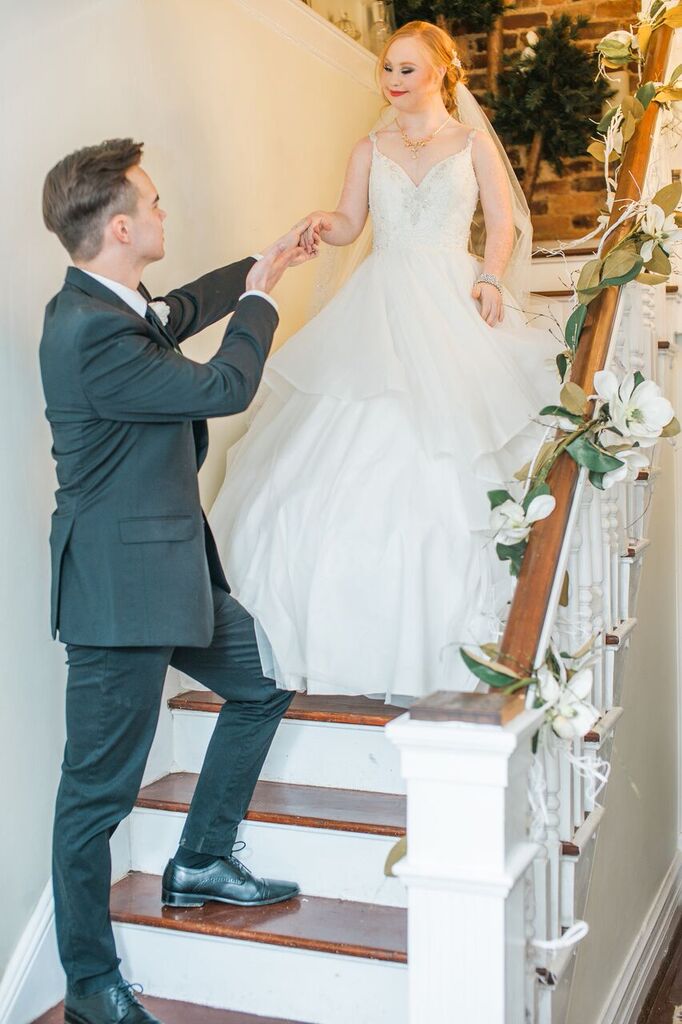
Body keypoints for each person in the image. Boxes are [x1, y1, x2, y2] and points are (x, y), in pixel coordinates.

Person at [40, 138, 316, 1024]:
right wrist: (268, 303)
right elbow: (225, 385)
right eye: (154, 204)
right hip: (119, 600)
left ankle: (200, 860)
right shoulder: (88, 333)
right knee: (96, 800)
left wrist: (258, 265)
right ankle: (89, 983)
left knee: (262, 686)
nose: (165, 213)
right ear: (121, 227)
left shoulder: (111, 304)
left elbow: (178, 308)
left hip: (169, 577)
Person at [209, 21, 559, 705]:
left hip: (449, 294)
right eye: (387, 70)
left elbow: (504, 222)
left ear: (440, 73)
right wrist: (321, 223)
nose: (393, 81)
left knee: (453, 447)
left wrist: (490, 277)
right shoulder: (370, 146)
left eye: (406, 69)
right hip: (381, 296)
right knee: (340, 444)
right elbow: (349, 222)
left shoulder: (471, 142)